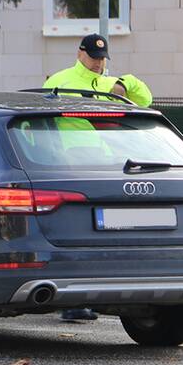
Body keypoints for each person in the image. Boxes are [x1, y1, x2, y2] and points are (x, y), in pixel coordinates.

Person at [43, 35, 152, 322]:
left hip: (106, 165)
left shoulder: (108, 82)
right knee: (77, 234)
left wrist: (124, 83)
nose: (98, 63)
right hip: (70, 165)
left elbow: (145, 98)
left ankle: (95, 294)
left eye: (102, 58)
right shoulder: (61, 81)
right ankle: (72, 300)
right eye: (93, 57)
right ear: (80, 54)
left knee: (102, 235)